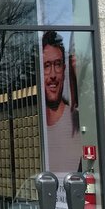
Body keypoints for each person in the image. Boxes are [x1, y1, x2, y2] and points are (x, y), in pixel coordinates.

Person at [41, 30, 82, 175]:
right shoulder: (33, 127)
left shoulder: (78, 123)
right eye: (46, 66)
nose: (53, 75)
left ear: (64, 70)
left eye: (57, 65)